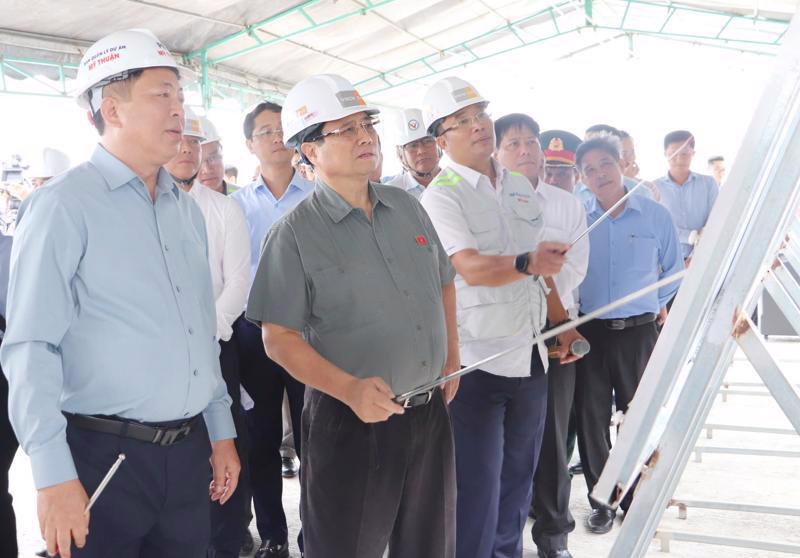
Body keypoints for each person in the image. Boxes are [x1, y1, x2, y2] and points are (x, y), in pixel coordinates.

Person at [1, 29, 239, 558]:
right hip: (104, 458)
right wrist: (51, 472)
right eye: (161, 94)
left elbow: (199, 330)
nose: (179, 109)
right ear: (113, 108)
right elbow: (31, 347)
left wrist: (220, 429)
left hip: (187, 453)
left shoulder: (183, 211)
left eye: (180, 95)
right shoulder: (64, 205)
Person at [247, 73, 460, 558]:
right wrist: (349, 390)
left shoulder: (407, 206)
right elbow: (277, 338)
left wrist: (452, 355)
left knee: (431, 544)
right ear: (309, 152)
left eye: (366, 124)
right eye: (345, 130)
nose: (366, 136)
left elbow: (443, 279)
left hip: (428, 415)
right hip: (350, 419)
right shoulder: (294, 234)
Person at [420, 78, 568, 558]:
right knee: (475, 491)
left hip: (531, 360)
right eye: (460, 121)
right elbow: (469, 267)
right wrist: (528, 262)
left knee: (517, 485)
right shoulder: (441, 196)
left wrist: (562, 323)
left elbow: (540, 268)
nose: (477, 124)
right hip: (476, 365)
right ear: (440, 140)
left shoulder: (519, 185)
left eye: (479, 113)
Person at [574, 136, 682, 535]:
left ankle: (636, 495)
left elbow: (673, 272)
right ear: (581, 177)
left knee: (639, 417)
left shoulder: (654, 215)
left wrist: (651, 305)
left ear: (621, 164)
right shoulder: (579, 218)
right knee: (591, 418)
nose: (599, 174)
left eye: (605, 164)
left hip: (639, 332)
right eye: (589, 169)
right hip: (589, 333)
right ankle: (602, 500)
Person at [493, 114, 589, 558]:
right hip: (499, 334)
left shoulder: (566, 204)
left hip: (555, 329)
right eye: (513, 143)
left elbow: (573, 267)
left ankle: (553, 536)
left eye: (530, 142)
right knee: (500, 446)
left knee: (551, 441)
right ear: (496, 152)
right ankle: (496, 537)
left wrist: (535, 282)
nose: (525, 150)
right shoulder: (485, 201)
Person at [163, 109, 251, 558]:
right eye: (180, 140)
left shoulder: (222, 209)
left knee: (225, 442)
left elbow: (237, 282)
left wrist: (205, 336)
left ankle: (228, 540)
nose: (186, 150)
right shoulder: (145, 207)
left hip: (217, 346)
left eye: (195, 144)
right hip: (162, 357)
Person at [231, 101, 314, 558]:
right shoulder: (235, 207)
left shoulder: (318, 197)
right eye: (265, 131)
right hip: (252, 333)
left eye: (283, 129)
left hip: (308, 334)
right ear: (250, 145)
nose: (276, 137)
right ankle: (275, 537)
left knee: (312, 438)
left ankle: (313, 535)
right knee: (260, 438)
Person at [655, 130, 719, 264]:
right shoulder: (654, 188)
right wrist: (691, 237)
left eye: (684, 153)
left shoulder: (708, 184)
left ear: (693, 154)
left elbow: (714, 223)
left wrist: (694, 258)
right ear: (665, 154)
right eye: (673, 153)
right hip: (665, 263)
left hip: (703, 259)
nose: (679, 158)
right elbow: (657, 227)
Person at [386, 108, 441, 198]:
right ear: (401, 156)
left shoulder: (458, 180)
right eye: (412, 145)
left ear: (438, 143)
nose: (421, 151)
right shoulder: (391, 193)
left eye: (427, 141)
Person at [197, 115, 239, 196]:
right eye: (198, 161)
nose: (207, 170)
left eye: (213, 158)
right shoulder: (184, 204)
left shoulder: (242, 199)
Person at [539, 130, 582, 194]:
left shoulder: (584, 203)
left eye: (561, 174)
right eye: (547, 174)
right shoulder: (527, 203)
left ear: (576, 177)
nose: (553, 181)